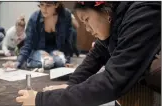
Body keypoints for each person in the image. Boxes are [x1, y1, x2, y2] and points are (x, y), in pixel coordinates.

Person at [16, 1, 161, 106]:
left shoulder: (143, 11)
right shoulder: (116, 17)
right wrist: (71, 84)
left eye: (86, 20)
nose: (87, 29)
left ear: (105, 10)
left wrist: (42, 100)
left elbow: (112, 81)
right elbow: (96, 54)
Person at [3, 1, 79, 69]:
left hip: (56, 50)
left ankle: (49, 61)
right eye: (41, 4)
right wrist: (18, 62)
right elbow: (28, 43)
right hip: (38, 49)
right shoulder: (34, 18)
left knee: (60, 62)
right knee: (48, 62)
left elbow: (68, 41)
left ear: (56, 4)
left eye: (48, 5)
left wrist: (67, 61)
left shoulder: (66, 16)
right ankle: (30, 61)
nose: (44, 9)